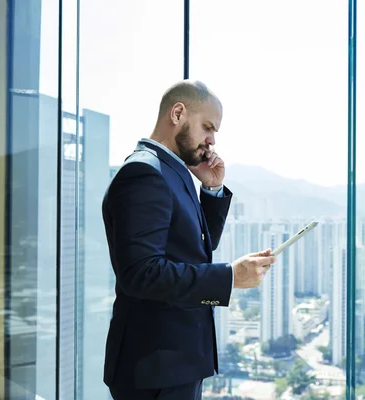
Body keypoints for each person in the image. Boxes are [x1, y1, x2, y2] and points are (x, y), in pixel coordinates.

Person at [101, 80, 275, 400]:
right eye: (208, 127)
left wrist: (210, 189)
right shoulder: (144, 173)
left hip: (173, 363)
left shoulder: (171, 171)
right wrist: (231, 276)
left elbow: (194, 248)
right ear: (178, 113)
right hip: (154, 368)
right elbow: (141, 273)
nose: (211, 141)